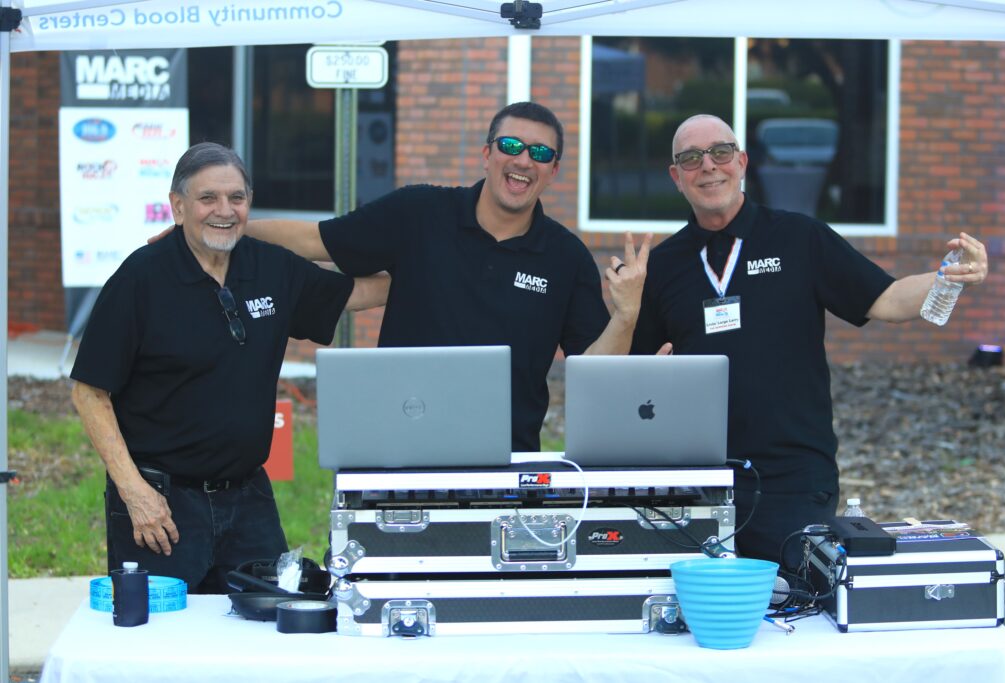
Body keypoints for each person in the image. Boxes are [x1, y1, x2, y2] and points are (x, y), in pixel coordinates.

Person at [631, 114, 989, 567]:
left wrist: (947, 278)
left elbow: (887, 299)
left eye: (721, 153)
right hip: (698, 478)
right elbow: (633, 373)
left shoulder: (801, 238)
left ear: (741, 162)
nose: (708, 166)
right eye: (691, 158)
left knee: (801, 615)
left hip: (794, 478)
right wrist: (627, 310)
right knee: (700, 618)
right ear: (675, 176)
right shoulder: (663, 265)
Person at [243, 101, 666, 452]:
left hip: (507, 462)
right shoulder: (418, 213)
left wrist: (625, 315)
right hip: (398, 445)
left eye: (540, 153)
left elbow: (593, 374)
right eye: (510, 145)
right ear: (487, 154)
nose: (522, 160)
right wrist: (227, 229)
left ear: (553, 171)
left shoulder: (565, 256)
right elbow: (315, 240)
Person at [70, 142, 387, 593]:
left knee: (262, 635)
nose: (225, 210)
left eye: (236, 198)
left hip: (249, 501)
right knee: (163, 646)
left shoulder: (270, 267)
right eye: (208, 199)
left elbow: (353, 294)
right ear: (178, 207)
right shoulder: (140, 280)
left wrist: (432, 273)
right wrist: (135, 492)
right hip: (161, 506)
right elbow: (89, 393)